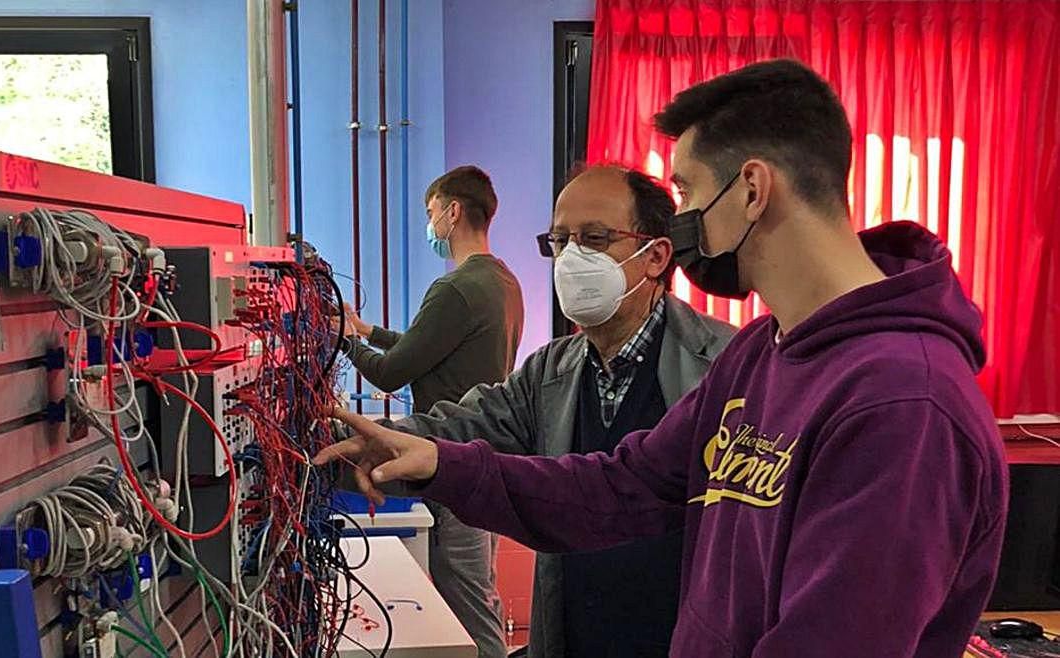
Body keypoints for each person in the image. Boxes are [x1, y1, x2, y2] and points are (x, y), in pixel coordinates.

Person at [320, 59, 1010, 658]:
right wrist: (439, 462)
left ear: (751, 189)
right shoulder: (761, 357)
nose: (682, 224)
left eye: (685, 193)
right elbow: (618, 489)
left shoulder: (904, 404)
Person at [355, 164, 734, 657]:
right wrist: (371, 443)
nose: (572, 258)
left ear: (656, 255)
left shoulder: (725, 368)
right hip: (574, 632)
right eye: (560, 241)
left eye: (594, 239)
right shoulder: (551, 371)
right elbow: (465, 424)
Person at [340, 165, 523, 658]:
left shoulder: (454, 289)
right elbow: (430, 348)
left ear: (452, 211)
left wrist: (340, 340)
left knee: (466, 605)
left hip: (451, 461)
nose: (430, 224)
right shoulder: (502, 282)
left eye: (430, 213)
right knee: (478, 588)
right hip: (487, 460)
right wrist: (366, 333)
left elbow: (390, 374)